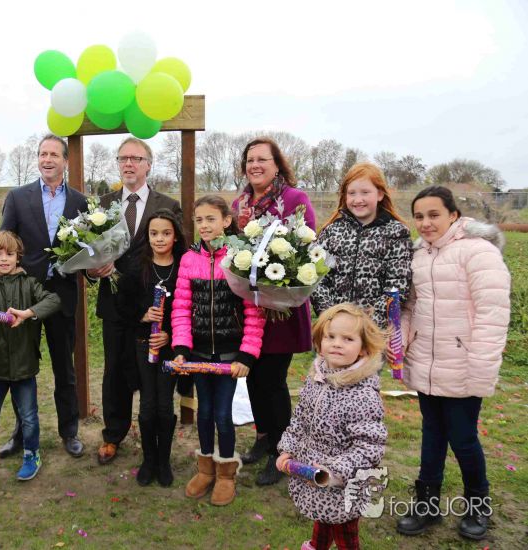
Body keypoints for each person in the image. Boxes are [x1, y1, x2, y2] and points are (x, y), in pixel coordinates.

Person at [396, 186, 510, 541]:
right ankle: (427, 504)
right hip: (427, 362)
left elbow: (492, 315)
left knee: (463, 438)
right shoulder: (417, 254)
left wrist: (481, 366)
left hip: (463, 364)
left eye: (434, 215)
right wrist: (401, 341)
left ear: (453, 215)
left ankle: (477, 505)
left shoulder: (478, 252)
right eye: (419, 216)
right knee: (432, 435)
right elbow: (410, 308)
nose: (426, 223)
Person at [88, 137, 183, 466]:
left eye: (136, 158)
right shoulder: (102, 204)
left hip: (154, 306)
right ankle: (113, 434)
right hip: (115, 303)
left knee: (152, 372)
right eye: (123, 158)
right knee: (115, 370)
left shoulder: (168, 204)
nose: (128, 163)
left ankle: (153, 439)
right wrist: (92, 270)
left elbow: (179, 253)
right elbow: (89, 249)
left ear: (148, 165)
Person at [171, 195, 266, 506]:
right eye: (199, 220)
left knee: (223, 415)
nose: (204, 225)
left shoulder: (240, 258)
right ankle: (205, 468)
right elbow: (181, 308)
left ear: (226, 221)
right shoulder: (189, 259)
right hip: (198, 354)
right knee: (204, 412)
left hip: (228, 355)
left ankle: (226, 473)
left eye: (211, 219)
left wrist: (247, 355)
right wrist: (181, 348)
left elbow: (254, 311)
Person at [231, 137, 316, 485]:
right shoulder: (240, 204)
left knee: (273, 381)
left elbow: (307, 246)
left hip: (282, 308)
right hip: (250, 310)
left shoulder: (295, 199)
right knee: (253, 377)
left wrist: (278, 284)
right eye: (249, 160)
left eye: (262, 159)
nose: (255, 165)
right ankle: (263, 437)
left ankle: (281, 452)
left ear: (277, 164)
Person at [0, 134, 88, 459]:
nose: (47, 159)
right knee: (22, 369)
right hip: (25, 298)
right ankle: (22, 433)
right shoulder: (18, 197)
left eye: (53, 154)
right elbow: (4, 242)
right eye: (42, 154)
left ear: (65, 160)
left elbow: (87, 249)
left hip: (62, 297)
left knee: (65, 368)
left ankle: (69, 432)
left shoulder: (80, 202)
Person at [277, 303, 388, 550]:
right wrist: (288, 449)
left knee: (344, 530)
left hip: (343, 482)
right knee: (323, 516)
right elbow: (300, 420)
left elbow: (369, 449)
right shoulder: (317, 379)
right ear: (319, 342)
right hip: (313, 473)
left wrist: (334, 472)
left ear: (363, 348)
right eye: (330, 337)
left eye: (348, 339)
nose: (337, 344)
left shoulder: (363, 395)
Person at [0, 231, 61, 489]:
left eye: (9, 254)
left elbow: (53, 300)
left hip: (24, 365)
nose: (4, 259)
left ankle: (32, 455)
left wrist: (29, 312)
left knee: (29, 416)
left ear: (18, 257)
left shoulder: (29, 283)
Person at [115, 209, 187, 487]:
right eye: (154, 233)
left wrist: (170, 335)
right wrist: (142, 316)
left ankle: (163, 461)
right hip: (142, 345)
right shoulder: (136, 268)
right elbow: (122, 305)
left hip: (170, 347)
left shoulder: (183, 267)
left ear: (175, 236)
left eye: (166, 233)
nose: (159, 239)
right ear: (147, 236)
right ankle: (148, 460)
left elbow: (188, 309)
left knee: (164, 405)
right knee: (147, 405)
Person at [311, 162, 412, 328]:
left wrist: (368, 328)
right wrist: (331, 319)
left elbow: (397, 286)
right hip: (334, 329)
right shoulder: (331, 231)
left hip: (373, 332)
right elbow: (318, 279)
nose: (358, 200)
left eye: (365, 192)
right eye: (352, 193)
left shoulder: (396, 233)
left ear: (380, 194)